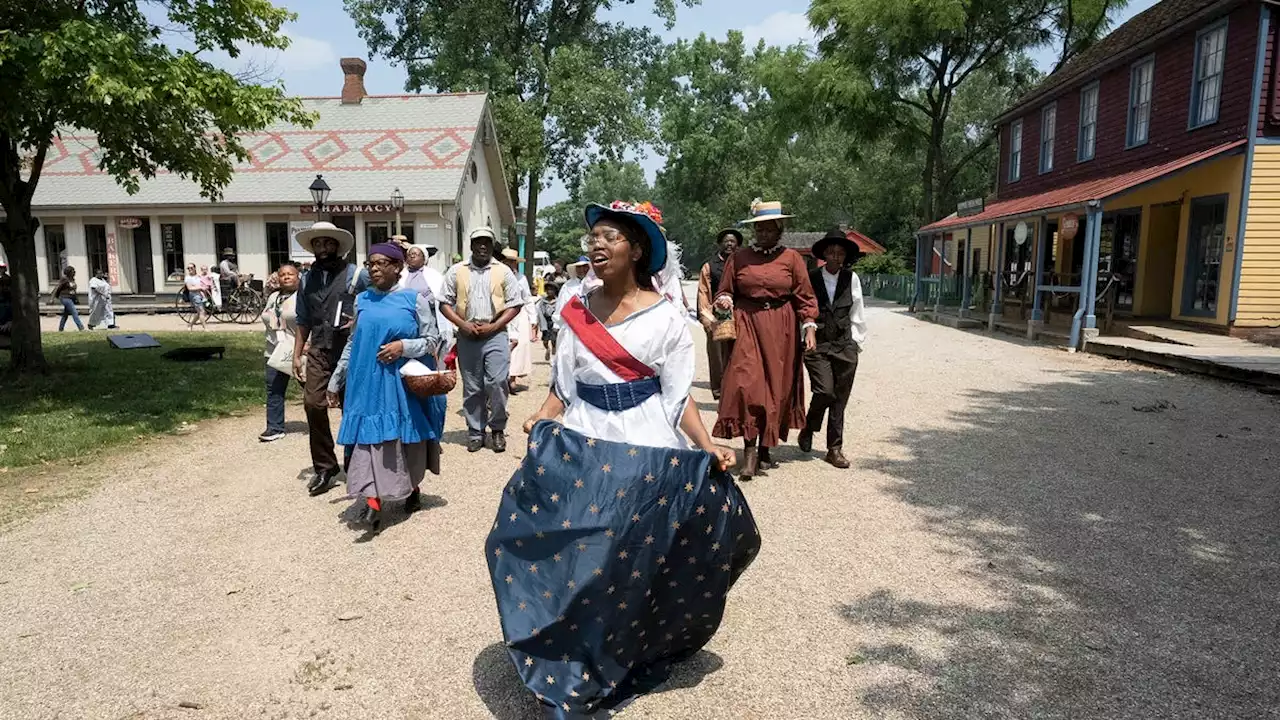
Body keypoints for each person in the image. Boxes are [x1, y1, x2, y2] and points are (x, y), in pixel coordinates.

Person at [487, 200, 758, 718]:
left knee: (617, 555)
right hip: (583, 438)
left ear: (636, 250)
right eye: (593, 237)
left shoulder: (668, 318)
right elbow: (562, 386)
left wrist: (708, 448)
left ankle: (604, 659)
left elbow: (679, 399)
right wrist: (542, 416)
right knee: (547, 544)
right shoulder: (574, 308)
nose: (596, 244)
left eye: (610, 236)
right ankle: (566, 652)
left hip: (644, 443)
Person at [327, 243, 445, 530]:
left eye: (382, 263)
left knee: (405, 439)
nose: (375, 268)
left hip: (400, 383)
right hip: (365, 383)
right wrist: (335, 380)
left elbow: (433, 341)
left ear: (398, 267)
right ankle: (373, 501)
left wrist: (403, 346)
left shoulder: (413, 300)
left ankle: (412, 488)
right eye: (371, 264)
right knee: (370, 441)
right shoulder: (362, 300)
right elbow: (353, 343)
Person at [713, 199, 818, 481]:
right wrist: (724, 301)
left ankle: (765, 446)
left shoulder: (792, 259)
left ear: (780, 229)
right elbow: (725, 290)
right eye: (760, 228)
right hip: (747, 322)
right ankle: (749, 453)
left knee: (776, 387)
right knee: (747, 383)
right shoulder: (740, 257)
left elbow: (804, 296)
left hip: (782, 326)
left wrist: (809, 326)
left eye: (770, 228)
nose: (764, 233)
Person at [291, 221, 361, 496]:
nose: (322, 248)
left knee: (350, 407)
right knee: (313, 404)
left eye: (327, 243)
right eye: (318, 244)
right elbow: (303, 319)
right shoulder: (306, 279)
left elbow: (374, 300)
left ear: (337, 246)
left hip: (349, 350)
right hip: (319, 349)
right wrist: (297, 355)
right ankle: (325, 466)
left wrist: (359, 318)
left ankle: (356, 463)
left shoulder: (356, 275)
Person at [441, 228, 523, 453]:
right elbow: (444, 302)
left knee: (496, 382)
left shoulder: (503, 271)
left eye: (487, 242)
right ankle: (476, 431)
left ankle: (497, 428)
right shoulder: (456, 271)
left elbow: (515, 304)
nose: (482, 247)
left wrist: (494, 326)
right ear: (471, 245)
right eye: (478, 242)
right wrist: (462, 324)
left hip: (495, 333)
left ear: (492, 245)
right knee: (473, 386)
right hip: (467, 334)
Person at [798, 231, 867, 469]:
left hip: (844, 345)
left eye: (840, 253)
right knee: (825, 391)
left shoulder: (852, 278)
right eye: (831, 252)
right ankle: (809, 427)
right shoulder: (811, 277)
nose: (836, 257)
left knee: (840, 399)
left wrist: (856, 342)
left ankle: (834, 448)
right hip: (817, 343)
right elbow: (803, 309)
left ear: (845, 256)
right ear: (824, 255)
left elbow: (857, 310)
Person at [698, 229, 742, 400]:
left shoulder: (743, 264)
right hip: (717, 319)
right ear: (720, 244)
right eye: (726, 241)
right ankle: (719, 393)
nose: (729, 244)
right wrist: (707, 319)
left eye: (733, 241)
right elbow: (703, 292)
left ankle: (736, 394)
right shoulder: (710, 266)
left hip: (740, 317)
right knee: (717, 357)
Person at [260, 263, 301, 443]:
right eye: (282, 274)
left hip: (299, 349)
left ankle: (320, 423)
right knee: (274, 389)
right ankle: (274, 427)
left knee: (312, 390)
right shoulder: (274, 297)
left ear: (298, 277)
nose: (285, 277)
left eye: (290, 274)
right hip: (275, 350)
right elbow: (266, 316)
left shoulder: (304, 297)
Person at [500, 248, 539, 393]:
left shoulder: (521, 278)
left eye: (513, 261)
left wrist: (533, 317)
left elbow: (527, 298)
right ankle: (502, 378)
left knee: (520, 347)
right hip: (502, 312)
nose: (511, 264)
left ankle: (512, 378)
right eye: (508, 261)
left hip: (519, 313)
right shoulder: (498, 275)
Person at [554, 255, 590, 320]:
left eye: (584, 266)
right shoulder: (568, 285)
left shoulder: (598, 283)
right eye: (579, 267)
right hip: (572, 322)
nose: (582, 269)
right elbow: (561, 304)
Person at [51, 266, 84, 332]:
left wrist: (76, 299)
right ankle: (81, 328)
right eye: (73, 271)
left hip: (71, 298)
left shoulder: (72, 280)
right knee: (74, 312)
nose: (74, 272)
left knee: (65, 314)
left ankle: (60, 329)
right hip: (64, 298)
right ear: (69, 272)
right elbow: (57, 288)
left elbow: (73, 291)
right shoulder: (64, 279)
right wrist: (52, 298)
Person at [535, 282, 559, 361]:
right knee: (545, 340)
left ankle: (553, 357)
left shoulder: (558, 301)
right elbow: (539, 312)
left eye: (551, 290)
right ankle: (547, 349)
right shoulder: (542, 302)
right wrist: (539, 323)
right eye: (548, 290)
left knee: (554, 340)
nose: (550, 291)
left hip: (554, 322)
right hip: (545, 322)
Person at [182, 263, 210, 330]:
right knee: (201, 311)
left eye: (191, 268)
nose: (190, 269)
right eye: (188, 268)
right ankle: (205, 328)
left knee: (200, 312)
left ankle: (190, 325)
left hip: (201, 295)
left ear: (195, 268)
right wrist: (200, 288)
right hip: (194, 295)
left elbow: (204, 283)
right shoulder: (187, 278)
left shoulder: (198, 276)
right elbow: (190, 288)